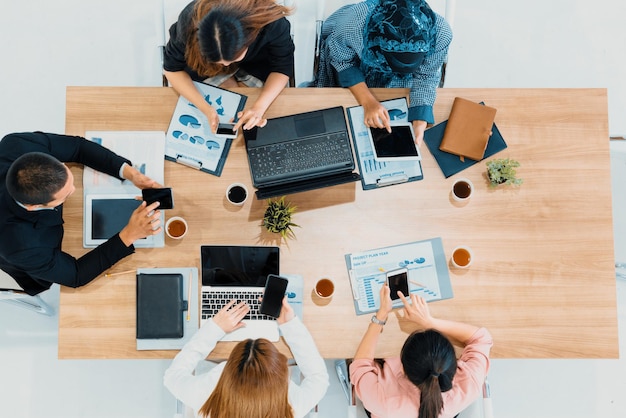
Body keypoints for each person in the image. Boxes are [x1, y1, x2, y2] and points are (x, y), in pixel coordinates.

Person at [0, 131, 163, 296]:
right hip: (38, 255)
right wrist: (128, 235)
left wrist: (132, 174)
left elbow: (78, 148)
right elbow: (76, 275)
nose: (74, 189)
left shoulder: (16, 143)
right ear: (33, 207)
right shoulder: (20, 247)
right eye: (66, 195)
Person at [316, 0, 452, 146]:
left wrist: (420, 120)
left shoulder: (441, 34)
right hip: (357, 64)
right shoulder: (353, 26)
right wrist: (368, 102)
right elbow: (342, 60)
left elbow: (426, 75)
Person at [164, 298, 329, 418]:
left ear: (227, 369)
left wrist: (215, 328)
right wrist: (290, 325)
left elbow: (172, 377)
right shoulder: (291, 407)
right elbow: (318, 378)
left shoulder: (207, 395)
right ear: (282, 374)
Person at [350, 284, 492, 418]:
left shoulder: (382, 401)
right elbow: (481, 339)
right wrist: (429, 322)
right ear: (453, 365)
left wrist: (380, 316)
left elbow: (360, 367)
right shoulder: (469, 383)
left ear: (403, 368)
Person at [163, 0, 295, 133]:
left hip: (258, 66)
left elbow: (282, 68)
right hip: (205, 71)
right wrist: (206, 109)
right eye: (218, 60)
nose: (225, 65)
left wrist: (258, 109)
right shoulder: (189, 21)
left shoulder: (271, 22)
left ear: (250, 37)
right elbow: (172, 69)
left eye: (232, 58)